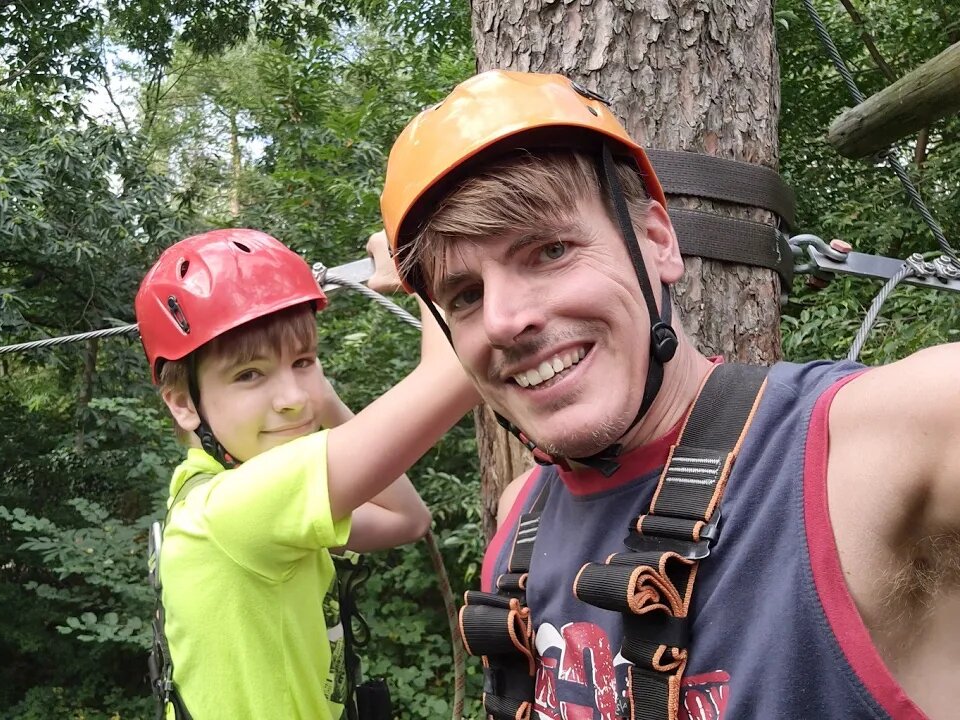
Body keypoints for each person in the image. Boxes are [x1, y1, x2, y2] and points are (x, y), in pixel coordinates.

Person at [377, 70, 958, 720]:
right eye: (466, 295)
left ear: (657, 242)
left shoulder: (863, 451)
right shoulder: (520, 525)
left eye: (550, 250)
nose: (504, 321)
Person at [133, 228, 478, 720]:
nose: (292, 398)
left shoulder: (207, 498)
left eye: (303, 362)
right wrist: (420, 260)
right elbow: (462, 369)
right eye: (249, 374)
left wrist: (318, 397)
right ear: (184, 403)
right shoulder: (232, 512)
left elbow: (407, 518)